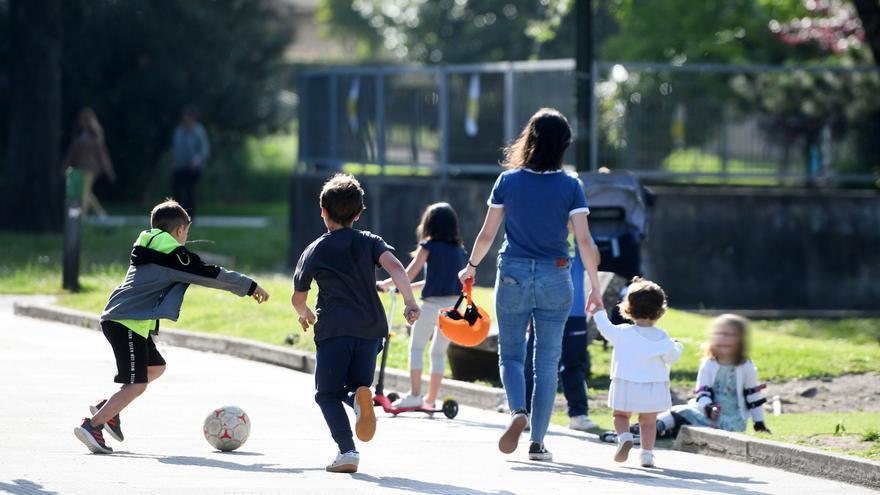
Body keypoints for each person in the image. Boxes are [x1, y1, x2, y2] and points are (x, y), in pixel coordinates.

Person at [458, 108, 603, 462]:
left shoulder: (508, 181)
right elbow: (584, 242)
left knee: (510, 354)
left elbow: (488, 233)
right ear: (563, 145)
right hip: (556, 274)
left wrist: (471, 266)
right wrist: (595, 287)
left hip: (513, 273)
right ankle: (537, 442)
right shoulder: (571, 186)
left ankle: (516, 411)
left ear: (530, 140)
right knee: (547, 362)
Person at [74, 200, 270, 454]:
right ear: (179, 231)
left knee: (155, 367)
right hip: (126, 321)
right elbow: (209, 274)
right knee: (137, 384)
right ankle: (93, 425)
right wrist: (249, 286)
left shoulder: (150, 247)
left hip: (130, 321)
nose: (186, 238)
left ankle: (108, 408)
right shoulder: (172, 256)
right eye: (186, 233)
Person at [291, 173, 420, 473]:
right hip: (372, 330)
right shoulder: (370, 241)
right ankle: (360, 398)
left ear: (322, 210)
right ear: (359, 213)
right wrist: (410, 302)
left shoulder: (315, 250)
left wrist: (305, 314)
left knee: (326, 394)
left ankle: (347, 451)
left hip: (335, 329)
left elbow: (298, 298)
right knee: (356, 385)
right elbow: (397, 267)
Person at [377, 202, 467, 409]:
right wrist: (405, 288)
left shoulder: (429, 246)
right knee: (438, 352)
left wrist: (386, 284)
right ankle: (430, 399)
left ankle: (415, 395)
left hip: (431, 306)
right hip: (454, 308)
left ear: (429, 225)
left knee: (416, 347)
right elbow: (437, 282)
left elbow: (407, 273)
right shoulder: (459, 251)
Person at [592, 277, 683, 468]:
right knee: (648, 422)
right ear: (660, 310)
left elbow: (604, 327)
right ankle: (647, 454)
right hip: (653, 386)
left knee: (621, 416)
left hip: (626, 383)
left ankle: (624, 437)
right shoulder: (662, 336)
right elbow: (671, 357)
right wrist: (677, 345)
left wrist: (598, 310)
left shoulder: (623, 332)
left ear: (628, 307)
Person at [654, 314, 770, 438]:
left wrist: (759, 423)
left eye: (729, 334)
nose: (723, 338)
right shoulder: (708, 364)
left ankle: (662, 428)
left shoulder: (746, 366)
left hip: (733, 422)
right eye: (719, 333)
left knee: (683, 412)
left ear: (740, 340)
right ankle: (651, 428)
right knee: (680, 410)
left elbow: (753, 397)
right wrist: (709, 408)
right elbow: (702, 393)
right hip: (707, 413)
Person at [524, 242, 599, 432]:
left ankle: (578, 415)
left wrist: (582, 232)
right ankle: (526, 413)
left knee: (575, 364)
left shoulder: (580, 240)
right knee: (535, 364)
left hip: (575, 313)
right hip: (542, 310)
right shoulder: (544, 238)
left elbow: (596, 259)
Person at [62, 108, 116, 217]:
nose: (82, 123)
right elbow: (72, 154)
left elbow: (102, 155)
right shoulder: (80, 136)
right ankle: (100, 213)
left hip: (91, 169)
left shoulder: (95, 137)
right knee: (86, 191)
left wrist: (108, 170)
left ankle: (82, 215)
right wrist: (65, 166)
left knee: (85, 191)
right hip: (79, 169)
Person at [171, 106, 210, 219]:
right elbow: (174, 148)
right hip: (180, 166)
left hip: (194, 168)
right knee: (177, 190)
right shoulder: (179, 130)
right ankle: (178, 215)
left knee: (189, 191)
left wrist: (197, 159)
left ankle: (190, 216)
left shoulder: (199, 131)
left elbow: (205, 150)